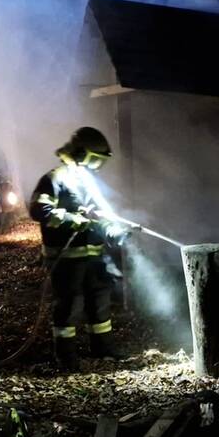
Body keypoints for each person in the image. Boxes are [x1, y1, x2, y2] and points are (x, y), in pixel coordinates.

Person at [30, 126, 130, 370]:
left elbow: (101, 215)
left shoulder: (91, 182)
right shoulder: (55, 178)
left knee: (100, 303)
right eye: (94, 160)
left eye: (100, 161)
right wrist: (70, 218)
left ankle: (103, 348)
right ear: (80, 153)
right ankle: (66, 358)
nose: (97, 166)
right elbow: (38, 210)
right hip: (65, 259)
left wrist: (112, 230)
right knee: (69, 306)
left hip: (94, 257)